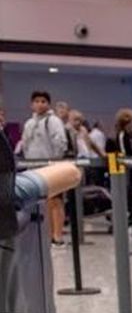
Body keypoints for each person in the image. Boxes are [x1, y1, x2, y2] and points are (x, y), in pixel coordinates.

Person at [20, 91, 69, 245]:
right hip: (33, 167)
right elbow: (25, 144)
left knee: (55, 201)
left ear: (48, 104)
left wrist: (55, 162)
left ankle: (57, 235)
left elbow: (60, 142)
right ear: (31, 104)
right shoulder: (29, 123)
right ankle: (46, 235)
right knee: (41, 202)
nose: (40, 104)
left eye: (43, 101)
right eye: (36, 101)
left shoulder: (53, 121)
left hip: (50, 165)